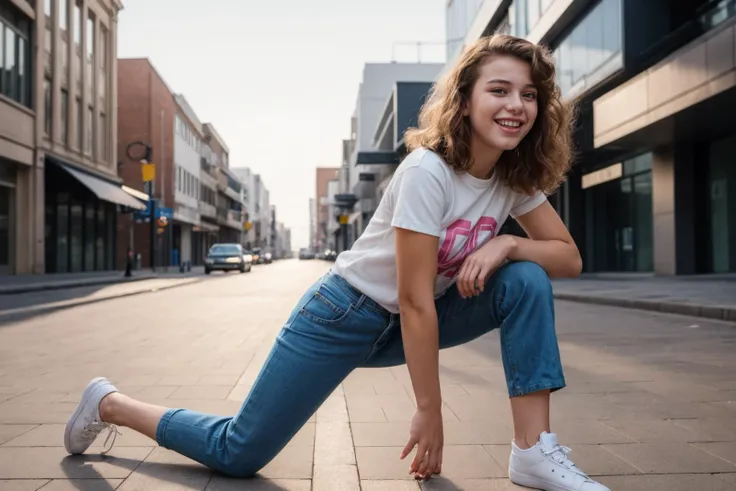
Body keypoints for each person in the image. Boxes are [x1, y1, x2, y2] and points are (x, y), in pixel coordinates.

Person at [64, 34, 610, 491]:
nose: (516, 105)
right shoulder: (428, 171)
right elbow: (415, 298)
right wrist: (430, 409)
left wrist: (508, 244)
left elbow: (567, 258)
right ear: (465, 101)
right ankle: (109, 403)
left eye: (529, 95)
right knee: (238, 453)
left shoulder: (515, 179)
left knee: (526, 278)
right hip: (343, 315)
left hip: (414, 320)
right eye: (499, 90)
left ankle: (533, 451)